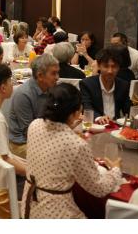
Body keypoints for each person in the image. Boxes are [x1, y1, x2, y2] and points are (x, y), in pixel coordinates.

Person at [21, 83, 122, 219]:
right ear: (76, 113)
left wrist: (69, 126)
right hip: (54, 211)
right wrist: (115, 170)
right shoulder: (76, 144)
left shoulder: (34, 125)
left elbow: (54, 142)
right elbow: (98, 188)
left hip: (29, 206)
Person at [8, 53, 60, 158]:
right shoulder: (24, 94)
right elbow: (29, 132)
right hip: (21, 144)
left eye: (58, 73)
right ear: (40, 76)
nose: (57, 78)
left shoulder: (50, 88)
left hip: (44, 136)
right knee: (60, 156)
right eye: (53, 74)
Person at [80, 47, 131, 123]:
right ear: (99, 66)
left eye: (114, 66)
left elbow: (128, 110)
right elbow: (87, 107)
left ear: (119, 67)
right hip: (96, 125)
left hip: (116, 125)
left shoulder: (123, 85)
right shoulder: (87, 84)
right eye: (106, 66)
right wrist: (99, 118)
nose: (110, 71)